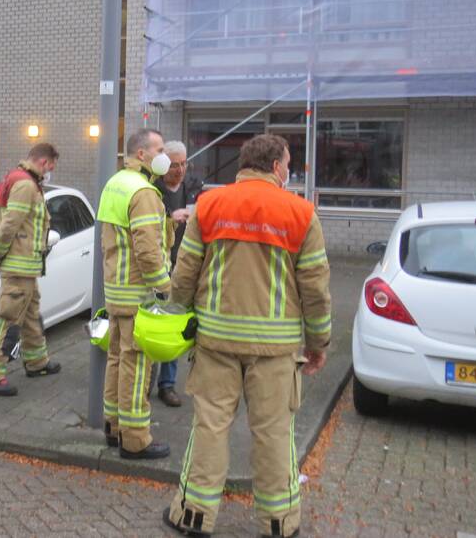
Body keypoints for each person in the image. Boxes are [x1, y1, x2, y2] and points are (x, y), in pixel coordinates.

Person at [164, 134, 332, 538]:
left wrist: (182, 314)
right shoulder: (301, 213)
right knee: (274, 433)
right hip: (275, 351)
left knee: (209, 427)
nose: (288, 170)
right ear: (276, 166)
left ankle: (193, 516)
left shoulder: (209, 205)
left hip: (216, 341)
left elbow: (184, 273)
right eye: (288, 164)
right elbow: (316, 289)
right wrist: (318, 342)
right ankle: (278, 523)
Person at [97, 128, 173, 460]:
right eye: (159, 148)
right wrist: (164, 287)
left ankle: (113, 426)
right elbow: (147, 249)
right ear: (141, 154)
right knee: (136, 365)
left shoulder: (116, 183)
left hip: (116, 291)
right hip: (136, 293)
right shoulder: (143, 192)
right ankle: (135, 438)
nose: (164, 154)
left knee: (116, 359)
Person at [0, 143, 62, 396]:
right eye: (51, 167)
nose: (50, 172)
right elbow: (10, 225)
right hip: (20, 266)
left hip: (24, 267)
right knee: (7, 319)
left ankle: (37, 362)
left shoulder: (13, 179)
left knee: (30, 313)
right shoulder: (26, 185)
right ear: (44, 162)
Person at [156, 140, 203, 408]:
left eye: (184, 163)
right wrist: (170, 219)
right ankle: (162, 383)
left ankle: (169, 383)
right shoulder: (153, 191)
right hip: (163, 267)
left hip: (189, 266)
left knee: (181, 326)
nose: (180, 169)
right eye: (174, 164)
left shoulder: (193, 188)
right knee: (164, 324)